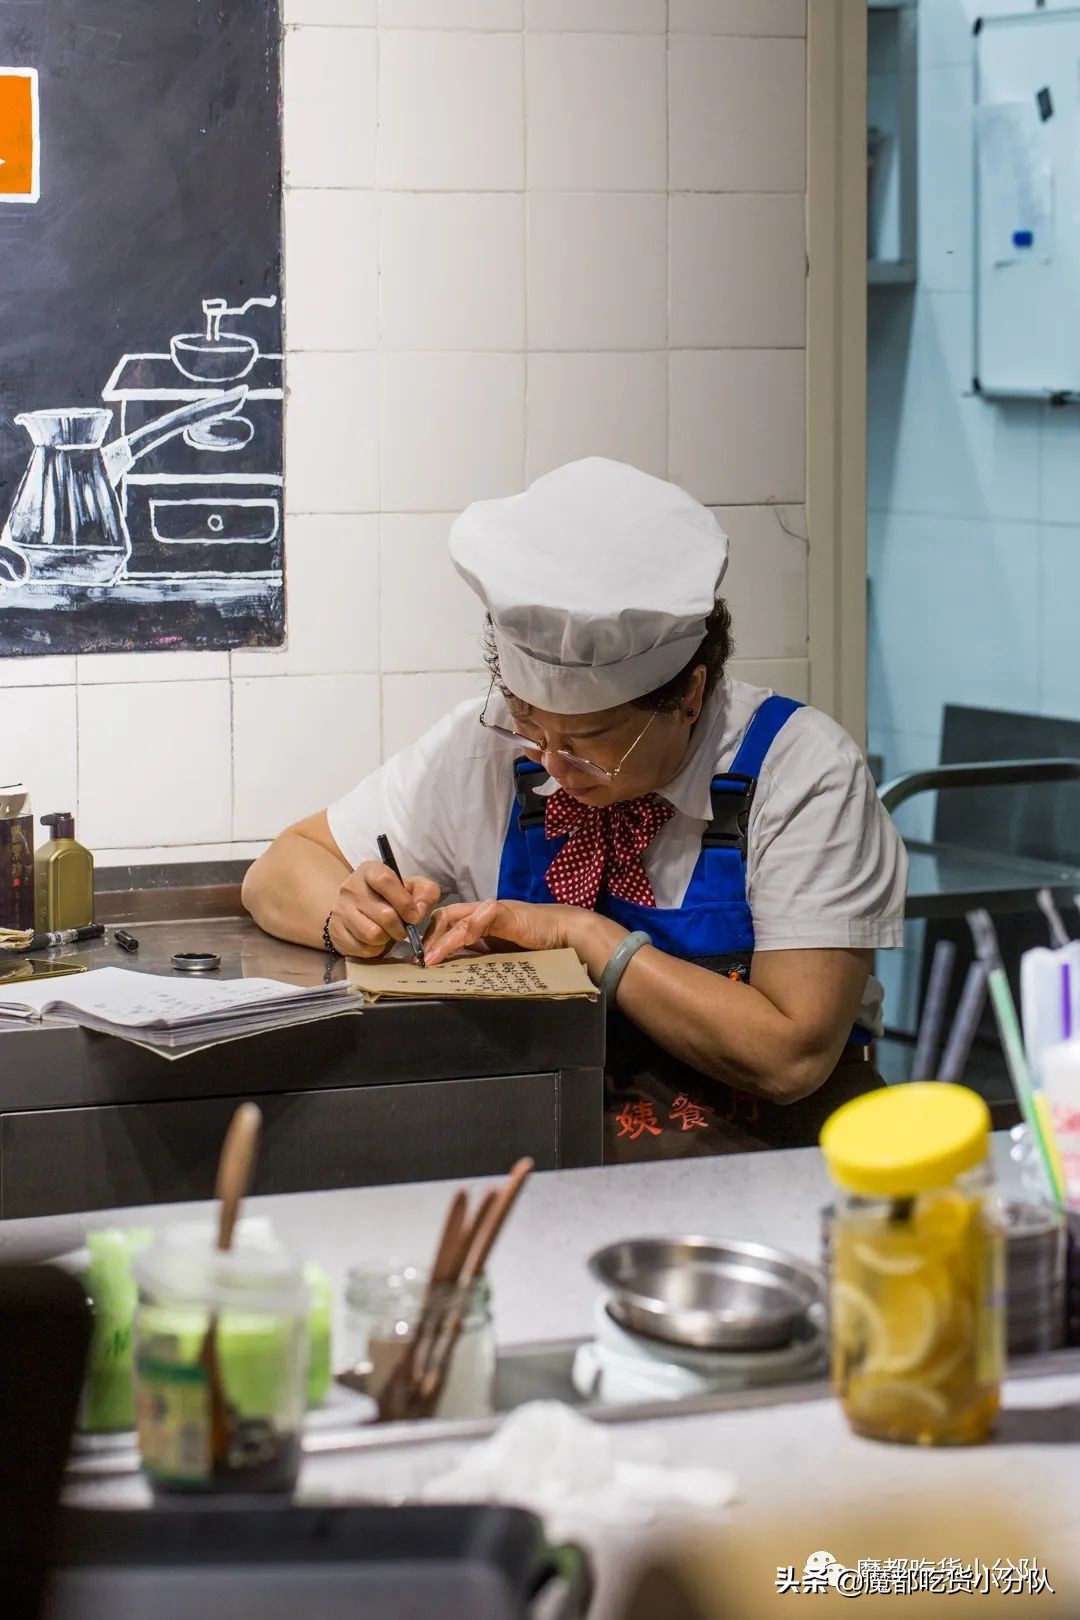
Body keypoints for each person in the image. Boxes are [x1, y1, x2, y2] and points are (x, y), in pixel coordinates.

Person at [243, 458, 907, 1159]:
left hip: (769, 1179)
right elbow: (281, 869)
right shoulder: (489, 747)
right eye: (531, 726)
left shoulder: (799, 771)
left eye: (590, 744)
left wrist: (585, 939)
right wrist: (350, 917)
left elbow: (789, 1057)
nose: (553, 767)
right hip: (550, 1161)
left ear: (688, 696)